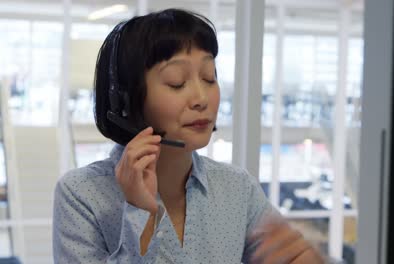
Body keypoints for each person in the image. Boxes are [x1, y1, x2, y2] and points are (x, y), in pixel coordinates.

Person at [53, 8, 324, 263]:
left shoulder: (236, 188)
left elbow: (294, 255)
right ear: (127, 99)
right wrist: (141, 212)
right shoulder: (82, 194)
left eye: (209, 78)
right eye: (177, 82)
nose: (201, 98)